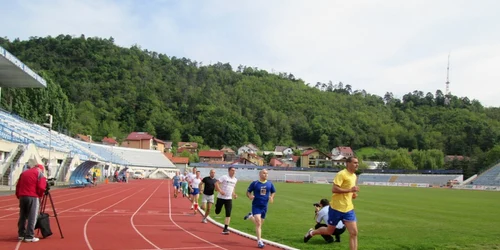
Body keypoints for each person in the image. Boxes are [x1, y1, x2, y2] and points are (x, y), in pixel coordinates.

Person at [304, 156, 360, 250]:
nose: (357, 164)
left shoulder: (354, 176)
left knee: (354, 233)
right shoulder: (341, 174)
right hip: (336, 208)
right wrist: (350, 190)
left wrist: (353, 194)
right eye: (355, 162)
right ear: (348, 163)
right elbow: (334, 189)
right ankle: (312, 233)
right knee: (329, 231)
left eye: (357, 162)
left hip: (348, 209)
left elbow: (349, 190)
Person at [243, 169, 276, 248]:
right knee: (258, 223)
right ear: (260, 174)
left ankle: (250, 216)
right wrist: (250, 196)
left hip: (264, 206)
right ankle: (259, 241)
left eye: (267, 173)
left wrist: (271, 197)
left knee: (260, 224)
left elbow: (273, 191)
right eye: (264, 173)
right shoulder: (255, 183)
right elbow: (248, 192)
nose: (266, 175)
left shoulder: (270, 184)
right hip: (256, 206)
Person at [16, 164, 47, 242]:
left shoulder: (24, 173)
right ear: (41, 169)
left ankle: (21, 234)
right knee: (32, 216)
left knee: (22, 216)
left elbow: (18, 186)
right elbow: (41, 187)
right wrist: (40, 195)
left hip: (22, 196)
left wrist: (18, 195)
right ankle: (29, 235)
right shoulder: (39, 173)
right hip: (32, 196)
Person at [215, 167, 238, 235]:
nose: (233, 172)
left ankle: (225, 228)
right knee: (217, 212)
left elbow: (233, 188)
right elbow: (216, 183)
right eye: (232, 170)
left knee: (228, 213)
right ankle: (217, 206)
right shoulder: (224, 177)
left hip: (228, 198)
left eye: (234, 171)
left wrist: (234, 194)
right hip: (221, 197)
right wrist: (220, 191)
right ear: (229, 171)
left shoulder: (235, 179)